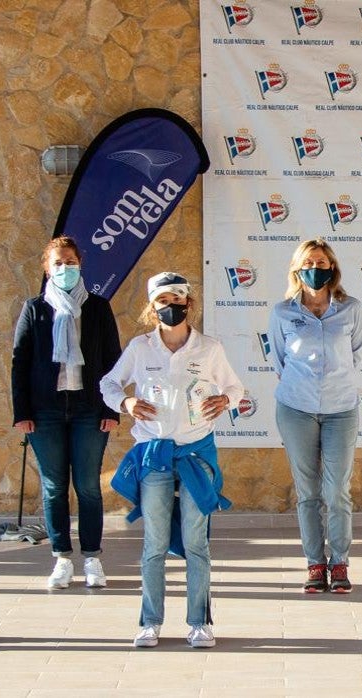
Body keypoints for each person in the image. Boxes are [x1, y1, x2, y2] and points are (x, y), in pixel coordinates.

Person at [101, 272, 244, 649]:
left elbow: (234, 385)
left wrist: (226, 399)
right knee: (155, 543)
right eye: (163, 301)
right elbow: (109, 384)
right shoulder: (140, 347)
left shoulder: (209, 348)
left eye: (177, 300)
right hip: (154, 456)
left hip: (196, 454)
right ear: (153, 307)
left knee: (197, 542)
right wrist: (126, 402)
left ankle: (199, 622)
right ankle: (150, 622)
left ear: (189, 304)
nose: (171, 307)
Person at [11, 236, 122, 590]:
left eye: (70, 262)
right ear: (47, 268)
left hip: (90, 410)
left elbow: (112, 361)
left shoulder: (98, 308)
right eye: (57, 263)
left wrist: (111, 408)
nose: (64, 269)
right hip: (45, 412)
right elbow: (20, 362)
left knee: (88, 485)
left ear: (80, 265)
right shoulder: (35, 309)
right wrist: (22, 411)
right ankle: (61, 558)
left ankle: (92, 557)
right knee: (54, 486)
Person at [267, 239, 362, 593]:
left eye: (322, 261)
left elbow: (355, 353)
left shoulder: (350, 308)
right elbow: (279, 359)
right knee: (308, 491)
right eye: (309, 262)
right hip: (296, 409)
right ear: (297, 268)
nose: (316, 267)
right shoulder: (282, 312)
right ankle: (314, 563)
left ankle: (339, 562)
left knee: (337, 490)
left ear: (332, 267)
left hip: (341, 409)